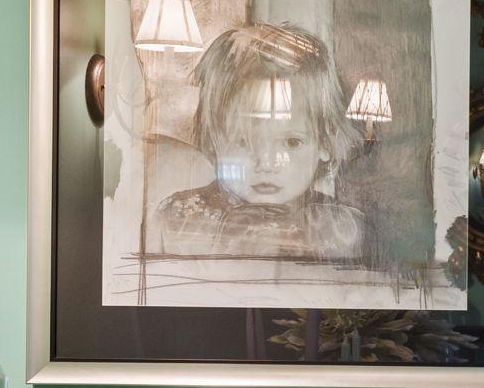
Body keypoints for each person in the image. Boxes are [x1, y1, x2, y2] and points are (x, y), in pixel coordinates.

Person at [151, 23, 369, 262]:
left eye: (292, 142)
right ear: (214, 141)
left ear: (325, 144)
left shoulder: (343, 229)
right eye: (244, 142)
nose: (266, 163)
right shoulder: (179, 217)